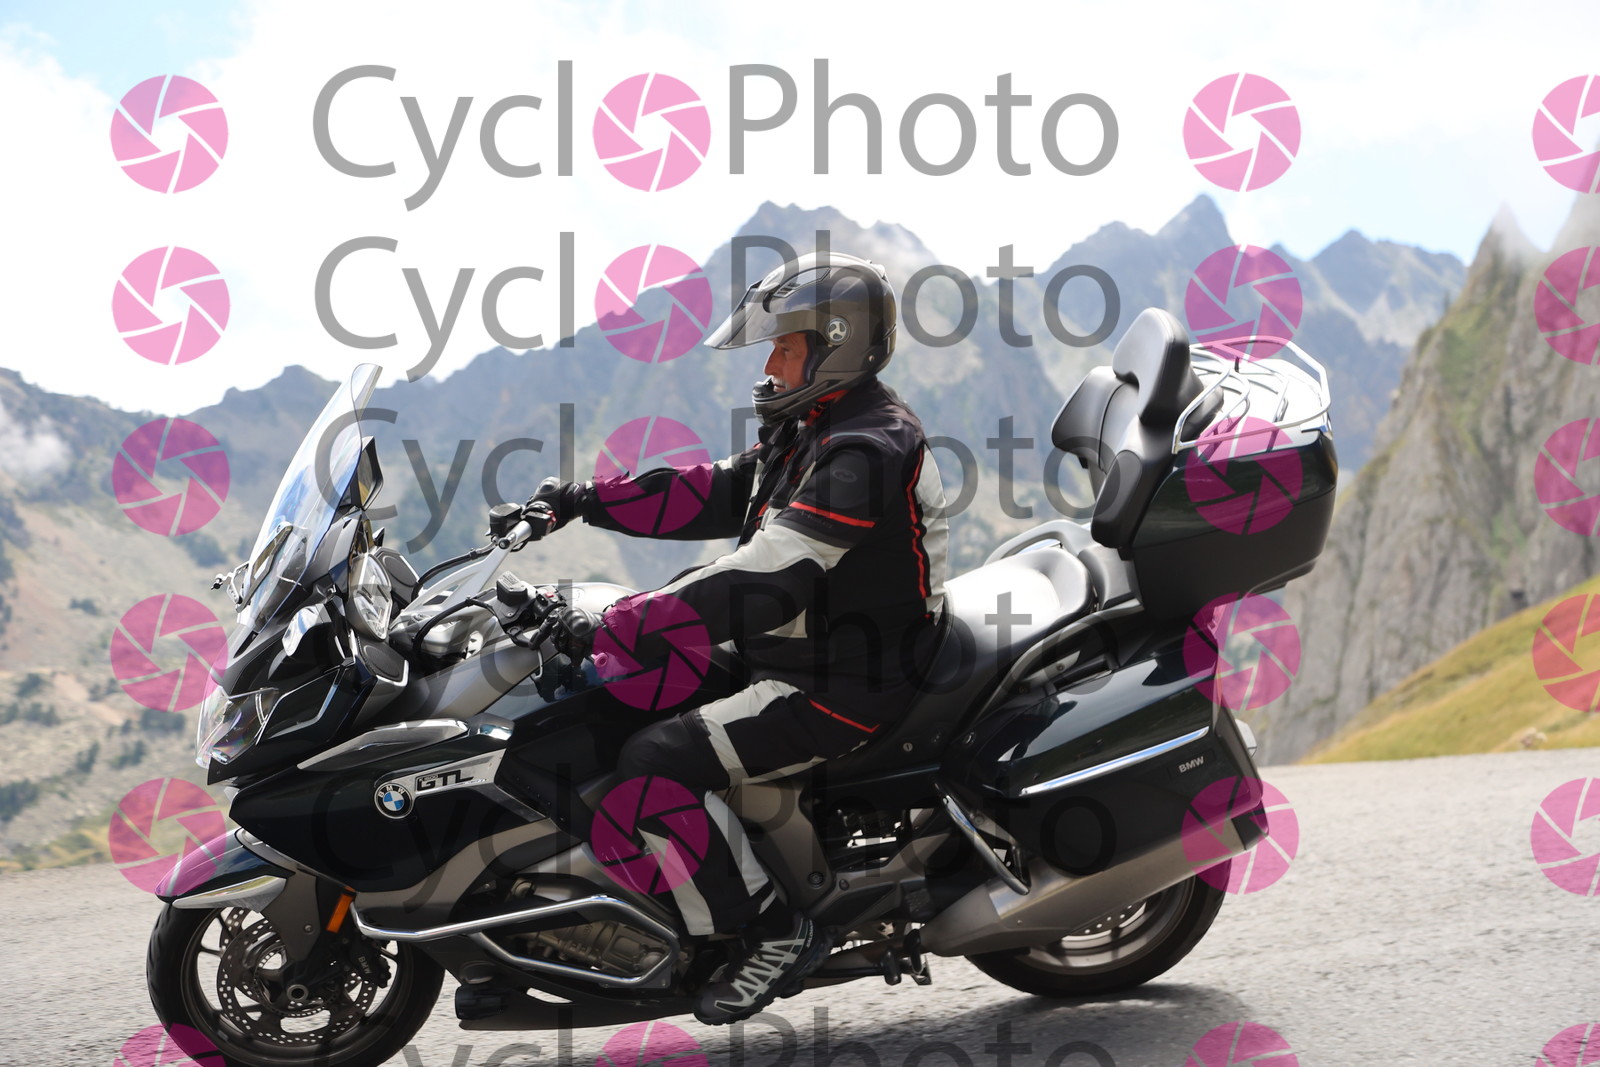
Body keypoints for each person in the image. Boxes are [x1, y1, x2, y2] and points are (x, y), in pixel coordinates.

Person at [523, 251, 950, 1025]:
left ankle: (772, 931)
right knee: (613, 695)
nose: (770, 362)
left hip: (844, 683)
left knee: (655, 763)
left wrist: (621, 621)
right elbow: (713, 491)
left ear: (837, 346)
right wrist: (581, 500)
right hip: (790, 652)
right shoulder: (811, 425)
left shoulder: (867, 447)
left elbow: (772, 573)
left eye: (785, 346)